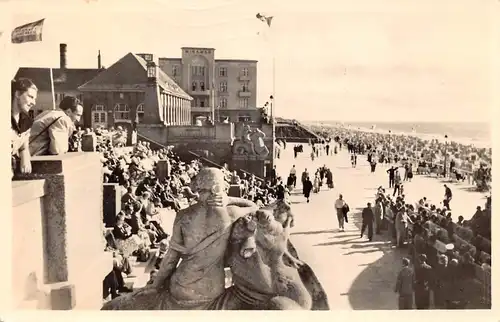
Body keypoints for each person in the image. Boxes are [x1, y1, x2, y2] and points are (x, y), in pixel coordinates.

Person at [11, 78, 37, 176]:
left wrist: (25, 156)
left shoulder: (27, 121)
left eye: (34, 99)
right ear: (17, 94)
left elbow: (23, 145)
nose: (34, 102)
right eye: (30, 97)